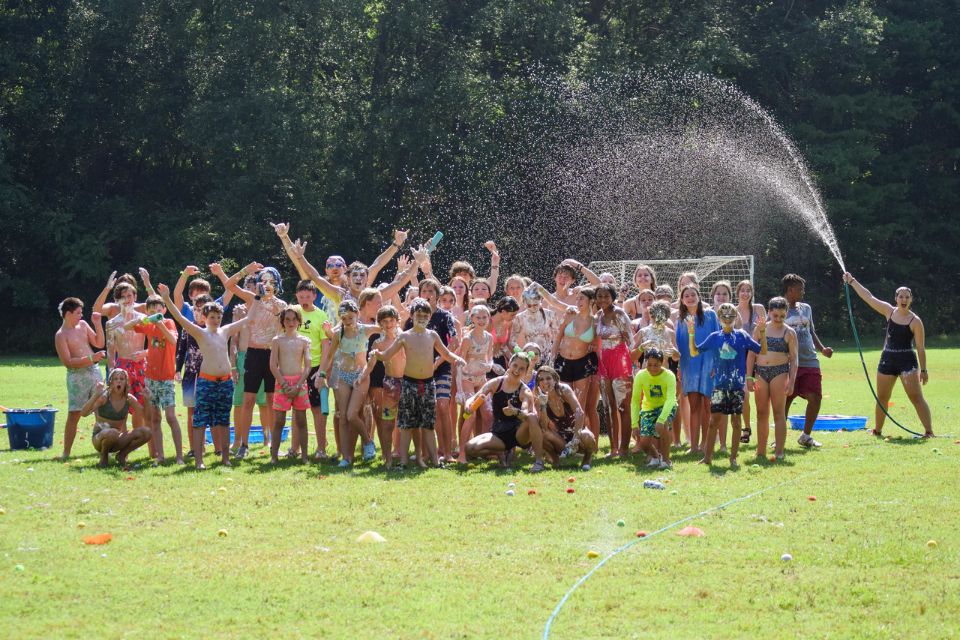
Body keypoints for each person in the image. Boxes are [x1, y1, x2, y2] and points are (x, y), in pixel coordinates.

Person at [159, 283, 260, 469]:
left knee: (223, 419)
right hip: (207, 382)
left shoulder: (226, 330)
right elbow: (180, 318)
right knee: (200, 421)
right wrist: (166, 298)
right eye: (212, 317)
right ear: (205, 318)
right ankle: (199, 461)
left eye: (218, 317)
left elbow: (250, 318)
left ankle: (225, 458)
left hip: (225, 382)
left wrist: (258, 298)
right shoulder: (200, 332)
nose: (215, 320)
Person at [372, 298, 466, 468]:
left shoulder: (432, 335)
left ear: (429, 317)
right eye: (418, 315)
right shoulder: (405, 337)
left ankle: (435, 461)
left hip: (428, 384)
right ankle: (403, 461)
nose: (421, 318)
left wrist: (457, 359)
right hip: (409, 384)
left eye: (425, 315)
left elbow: (445, 354)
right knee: (407, 424)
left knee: (428, 424)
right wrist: (377, 354)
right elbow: (387, 354)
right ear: (412, 316)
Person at [843, 273, 933, 437]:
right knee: (882, 397)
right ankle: (877, 430)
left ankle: (929, 431)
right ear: (896, 298)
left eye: (907, 297)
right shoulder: (889, 311)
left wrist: (924, 370)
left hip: (907, 362)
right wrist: (852, 281)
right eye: (901, 296)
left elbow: (920, 347)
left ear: (911, 300)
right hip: (887, 360)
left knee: (916, 397)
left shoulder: (916, 321)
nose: (903, 299)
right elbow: (869, 297)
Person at [211, 262, 286, 459]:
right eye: (263, 280)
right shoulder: (252, 299)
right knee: (248, 400)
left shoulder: (282, 305)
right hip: (252, 354)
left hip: (272, 355)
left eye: (270, 281)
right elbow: (229, 285)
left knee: (271, 400)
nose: (267, 284)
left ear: (277, 283)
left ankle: (272, 443)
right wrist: (245, 270)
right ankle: (243, 444)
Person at [693, 303, 762, 467]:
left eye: (731, 316)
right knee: (713, 421)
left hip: (737, 386)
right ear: (719, 318)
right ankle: (707, 457)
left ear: (736, 317)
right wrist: (690, 332)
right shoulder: (715, 337)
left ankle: (733, 458)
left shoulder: (742, 335)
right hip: (719, 386)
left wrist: (763, 332)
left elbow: (761, 350)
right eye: (724, 316)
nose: (727, 319)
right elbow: (695, 351)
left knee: (736, 421)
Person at [317, 299, 379, 466]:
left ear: (357, 315)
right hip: (343, 375)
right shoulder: (339, 333)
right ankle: (346, 457)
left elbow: (387, 327)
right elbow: (329, 356)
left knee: (352, 414)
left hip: (361, 375)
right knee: (343, 416)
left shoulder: (364, 330)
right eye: (344, 319)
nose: (348, 322)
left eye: (351, 318)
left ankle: (367, 441)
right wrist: (321, 373)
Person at [462, 352, 548, 470]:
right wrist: (468, 404)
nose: (517, 370)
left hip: (519, 434)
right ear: (509, 365)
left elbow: (526, 414)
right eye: (515, 366)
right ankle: (501, 452)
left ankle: (539, 462)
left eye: (522, 368)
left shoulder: (525, 391)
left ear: (526, 371)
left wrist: (515, 412)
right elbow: (476, 396)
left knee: (532, 417)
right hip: (499, 433)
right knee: (470, 448)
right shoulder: (496, 382)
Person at [128, 294, 184, 464]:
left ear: (164, 310)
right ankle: (160, 455)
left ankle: (179, 457)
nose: (156, 314)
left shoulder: (168, 323)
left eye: (159, 310)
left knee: (171, 417)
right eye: (152, 311)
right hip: (150, 379)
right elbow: (128, 326)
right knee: (155, 418)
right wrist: (142, 318)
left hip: (166, 378)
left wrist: (160, 323)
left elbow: (173, 340)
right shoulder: (148, 325)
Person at [782, 274, 832, 448]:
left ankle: (806, 436)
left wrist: (822, 349)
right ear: (790, 290)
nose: (803, 292)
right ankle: (779, 438)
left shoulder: (807, 308)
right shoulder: (779, 308)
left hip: (810, 360)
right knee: (786, 400)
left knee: (815, 397)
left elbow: (811, 331)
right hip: (788, 363)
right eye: (800, 289)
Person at [54, 297, 106, 460]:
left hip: (94, 373)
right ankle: (66, 453)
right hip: (77, 378)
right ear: (68, 314)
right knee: (74, 415)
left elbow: (99, 342)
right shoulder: (61, 335)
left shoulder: (83, 325)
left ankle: (104, 451)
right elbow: (68, 363)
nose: (81, 316)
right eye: (78, 313)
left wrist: (98, 324)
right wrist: (91, 358)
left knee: (101, 410)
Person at [747, 297, 798, 461]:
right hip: (761, 372)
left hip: (780, 372)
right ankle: (760, 451)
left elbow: (794, 359)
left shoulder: (789, 332)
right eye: (775, 316)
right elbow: (752, 354)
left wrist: (791, 381)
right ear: (769, 312)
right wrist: (749, 376)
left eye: (782, 316)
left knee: (778, 412)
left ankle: (779, 451)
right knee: (761, 412)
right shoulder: (760, 329)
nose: (778, 319)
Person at [289, 280, 332, 458]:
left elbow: (326, 348)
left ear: (315, 296)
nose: (304, 300)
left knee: (316, 409)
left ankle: (321, 448)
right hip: (295, 368)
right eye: (301, 297)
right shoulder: (292, 313)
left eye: (308, 296)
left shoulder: (321, 316)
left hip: (314, 368)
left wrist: (321, 372)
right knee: (297, 409)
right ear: (297, 296)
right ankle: (294, 448)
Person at [675, 283, 720, 454]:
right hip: (690, 366)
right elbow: (679, 346)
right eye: (686, 296)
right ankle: (693, 446)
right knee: (694, 406)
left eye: (693, 294)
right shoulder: (681, 320)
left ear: (699, 297)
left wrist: (717, 364)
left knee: (707, 406)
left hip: (708, 364)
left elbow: (717, 340)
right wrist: (679, 366)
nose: (690, 298)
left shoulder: (710, 315)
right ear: (682, 300)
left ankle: (705, 444)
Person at [358, 305, 405, 468]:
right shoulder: (378, 343)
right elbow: (370, 365)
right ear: (380, 323)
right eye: (384, 321)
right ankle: (388, 457)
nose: (388, 324)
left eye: (391, 320)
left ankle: (405, 454)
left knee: (408, 421)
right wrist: (362, 376)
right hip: (390, 384)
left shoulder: (405, 338)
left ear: (397, 321)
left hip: (407, 382)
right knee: (387, 421)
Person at [227, 276, 269, 457]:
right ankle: (237, 439)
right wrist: (233, 365)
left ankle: (267, 438)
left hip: (262, 355)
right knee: (240, 402)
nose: (252, 290)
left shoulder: (268, 308)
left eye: (255, 287)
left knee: (264, 402)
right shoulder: (240, 310)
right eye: (249, 287)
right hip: (244, 358)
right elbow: (233, 340)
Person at [80, 370, 153, 468]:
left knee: (146, 432)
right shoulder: (104, 398)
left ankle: (121, 455)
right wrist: (96, 394)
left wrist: (147, 400)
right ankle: (103, 457)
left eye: (122, 379)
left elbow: (147, 417)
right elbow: (83, 413)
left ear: (126, 382)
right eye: (116, 379)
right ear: (111, 382)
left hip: (117, 438)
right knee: (112, 433)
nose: (119, 381)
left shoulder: (129, 398)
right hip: (99, 439)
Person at [594, 283, 634, 458]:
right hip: (604, 361)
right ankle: (613, 449)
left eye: (606, 296)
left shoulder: (619, 314)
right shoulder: (598, 316)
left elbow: (630, 340)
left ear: (612, 297)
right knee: (608, 407)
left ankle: (624, 448)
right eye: (599, 296)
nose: (603, 299)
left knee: (623, 405)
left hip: (620, 360)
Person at [269, 308, 312, 463]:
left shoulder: (304, 341)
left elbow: (307, 366)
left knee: (301, 420)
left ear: (299, 321)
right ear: (283, 322)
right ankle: (274, 456)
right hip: (282, 384)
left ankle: (305, 456)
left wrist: (298, 385)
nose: (291, 322)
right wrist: (284, 384)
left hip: (299, 384)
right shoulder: (277, 341)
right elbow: (273, 365)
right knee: (279, 420)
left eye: (294, 319)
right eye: (287, 319)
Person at [534, 366, 597, 470]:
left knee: (587, 437)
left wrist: (575, 440)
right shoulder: (538, 398)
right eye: (541, 379)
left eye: (548, 378)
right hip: (560, 438)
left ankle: (587, 459)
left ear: (554, 379)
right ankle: (555, 459)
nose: (545, 382)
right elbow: (544, 426)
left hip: (577, 434)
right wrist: (543, 405)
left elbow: (579, 413)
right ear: (538, 383)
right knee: (541, 433)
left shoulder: (564, 390)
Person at [456, 304, 495, 463]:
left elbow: (490, 358)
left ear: (488, 319)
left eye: (484, 317)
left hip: (482, 380)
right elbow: (459, 364)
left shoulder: (489, 337)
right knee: (470, 415)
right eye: (478, 317)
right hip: (467, 380)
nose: (481, 320)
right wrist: (459, 390)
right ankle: (462, 454)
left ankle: (482, 449)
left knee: (488, 414)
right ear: (471, 318)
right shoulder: (467, 339)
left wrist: (489, 366)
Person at [630, 349, 677, 469]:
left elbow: (671, 399)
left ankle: (666, 461)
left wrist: (661, 420)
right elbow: (635, 401)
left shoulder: (669, 376)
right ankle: (656, 457)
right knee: (644, 442)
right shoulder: (640, 375)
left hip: (666, 406)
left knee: (664, 426)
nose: (652, 368)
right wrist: (634, 424)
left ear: (662, 363)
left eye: (656, 365)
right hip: (648, 408)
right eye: (649, 365)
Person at [734, 280, 766, 444]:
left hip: (757, 355)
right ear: (737, 292)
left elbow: (764, 332)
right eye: (742, 290)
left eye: (748, 290)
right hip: (740, 356)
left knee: (760, 394)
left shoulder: (759, 309)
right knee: (744, 394)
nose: (745, 293)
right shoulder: (733, 311)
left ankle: (763, 430)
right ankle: (745, 428)